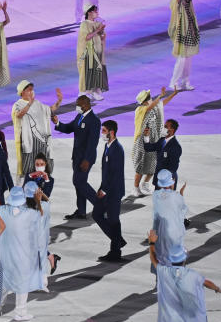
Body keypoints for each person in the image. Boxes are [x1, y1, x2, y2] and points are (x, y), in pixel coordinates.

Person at [0, 185, 44, 321]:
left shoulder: (1, 211)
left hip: (5, 254)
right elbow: (40, 217)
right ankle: (21, 312)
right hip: (23, 256)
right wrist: (38, 201)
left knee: (3, 283)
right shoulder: (30, 214)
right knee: (23, 283)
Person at [53, 95, 101, 220]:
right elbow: (70, 128)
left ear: (86, 105)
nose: (77, 107)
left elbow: (93, 143)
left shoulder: (94, 120)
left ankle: (101, 206)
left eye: (79, 105)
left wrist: (87, 160)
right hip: (77, 157)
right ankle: (81, 211)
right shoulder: (80, 116)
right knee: (79, 183)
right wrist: (58, 123)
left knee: (79, 182)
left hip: (85, 158)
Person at [132, 87, 178, 196]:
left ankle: (145, 184)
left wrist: (174, 94)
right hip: (141, 141)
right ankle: (135, 188)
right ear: (144, 101)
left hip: (154, 139)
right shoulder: (140, 110)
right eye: (149, 97)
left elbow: (162, 104)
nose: (151, 98)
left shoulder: (154, 107)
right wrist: (160, 96)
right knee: (140, 166)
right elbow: (151, 106)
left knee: (153, 165)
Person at [13, 81, 62, 183]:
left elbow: (49, 110)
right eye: (28, 90)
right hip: (28, 142)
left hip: (42, 141)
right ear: (22, 92)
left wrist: (59, 101)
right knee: (27, 169)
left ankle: (43, 187)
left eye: (32, 89)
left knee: (43, 166)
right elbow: (19, 115)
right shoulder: (18, 104)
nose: (31, 92)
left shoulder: (37, 103)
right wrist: (29, 104)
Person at [92, 120, 126, 262]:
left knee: (113, 219)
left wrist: (104, 189)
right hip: (106, 189)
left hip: (113, 191)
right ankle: (117, 240)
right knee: (97, 214)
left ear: (112, 132)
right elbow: (106, 172)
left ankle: (115, 251)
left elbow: (115, 173)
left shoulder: (117, 149)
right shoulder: (108, 146)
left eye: (104, 131)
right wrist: (102, 187)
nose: (102, 133)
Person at [168, 0, 203, 91]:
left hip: (190, 30)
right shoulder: (175, 1)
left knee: (189, 59)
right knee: (182, 59)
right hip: (181, 32)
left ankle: (185, 81)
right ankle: (174, 82)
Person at [151, 170, 188, 269]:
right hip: (173, 232)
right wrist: (181, 194)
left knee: (161, 259)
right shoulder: (175, 197)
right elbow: (182, 211)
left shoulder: (156, 195)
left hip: (160, 231)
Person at [77, 4, 108, 100]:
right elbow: (86, 37)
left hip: (97, 51)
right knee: (87, 72)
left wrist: (102, 32)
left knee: (97, 71)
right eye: (95, 11)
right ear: (89, 12)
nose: (97, 13)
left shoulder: (97, 23)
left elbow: (102, 37)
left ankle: (95, 92)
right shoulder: (84, 24)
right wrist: (98, 30)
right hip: (87, 53)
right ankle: (84, 93)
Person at [143, 118, 183, 187]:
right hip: (158, 179)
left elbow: (173, 167)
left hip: (167, 182)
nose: (163, 128)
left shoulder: (175, 146)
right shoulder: (162, 140)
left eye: (166, 127)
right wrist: (146, 136)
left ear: (172, 130)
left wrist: (168, 182)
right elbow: (149, 148)